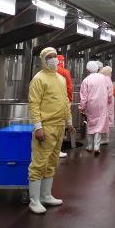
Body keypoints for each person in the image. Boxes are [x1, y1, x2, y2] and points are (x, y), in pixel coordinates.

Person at [28, 47, 74, 214]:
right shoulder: (39, 79)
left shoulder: (60, 78)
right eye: (49, 57)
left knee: (52, 162)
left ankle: (46, 195)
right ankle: (34, 200)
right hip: (46, 127)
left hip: (59, 125)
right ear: (43, 59)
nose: (53, 59)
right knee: (39, 162)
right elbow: (34, 104)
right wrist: (38, 127)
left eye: (55, 56)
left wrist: (69, 121)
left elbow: (65, 101)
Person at [79, 60, 112, 155]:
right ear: (97, 68)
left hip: (91, 105)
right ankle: (97, 146)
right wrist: (109, 101)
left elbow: (84, 96)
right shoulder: (104, 78)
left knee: (90, 124)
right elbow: (109, 92)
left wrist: (82, 107)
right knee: (100, 125)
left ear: (87, 69)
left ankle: (90, 146)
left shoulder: (86, 80)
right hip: (102, 104)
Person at [57, 55, 74, 158]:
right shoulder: (65, 72)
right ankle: (57, 150)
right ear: (62, 61)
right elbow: (69, 87)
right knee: (61, 125)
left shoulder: (47, 71)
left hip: (50, 102)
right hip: (63, 100)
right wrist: (70, 99)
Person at [98, 66, 114, 145]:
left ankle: (104, 138)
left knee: (104, 120)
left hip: (104, 102)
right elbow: (110, 93)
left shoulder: (102, 79)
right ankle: (105, 138)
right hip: (107, 103)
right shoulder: (107, 79)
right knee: (107, 120)